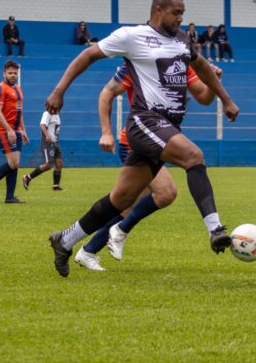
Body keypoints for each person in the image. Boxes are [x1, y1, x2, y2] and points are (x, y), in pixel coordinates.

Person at [45, 0, 240, 278]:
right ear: (158, 10)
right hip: (144, 122)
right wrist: (59, 90)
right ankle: (215, 229)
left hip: (166, 127)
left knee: (121, 199)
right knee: (193, 156)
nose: (180, 19)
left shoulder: (182, 42)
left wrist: (225, 98)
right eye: (176, 13)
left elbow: (203, 70)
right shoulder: (132, 37)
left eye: (183, 14)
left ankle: (66, 240)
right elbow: (88, 56)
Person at [75, 62, 222, 271]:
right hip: (136, 143)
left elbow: (205, 97)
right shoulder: (139, 63)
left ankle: (88, 250)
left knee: (127, 207)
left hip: (159, 140)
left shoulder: (182, 65)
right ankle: (119, 231)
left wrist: (213, 79)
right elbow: (105, 94)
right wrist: (106, 131)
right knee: (165, 192)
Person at [0, 60, 29, 204]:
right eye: (10, 73)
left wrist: (23, 130)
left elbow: (19, 111)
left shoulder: (19, 89)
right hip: (3, 130)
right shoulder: (0, 89)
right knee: (13, 163)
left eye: (15, 73)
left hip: (16, 131)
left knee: (15, 163)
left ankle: (9, 197)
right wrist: (9, 130)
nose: (13, 75)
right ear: (4, 74)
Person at [22, 109, 64, 192]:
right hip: (48, 143)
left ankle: (56, 186)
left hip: (55, 142)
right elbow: (42, 125)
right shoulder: (47, 113)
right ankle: (28, 177)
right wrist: (47, 135)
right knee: (48, 165)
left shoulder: (57, 115)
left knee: (59, 163)